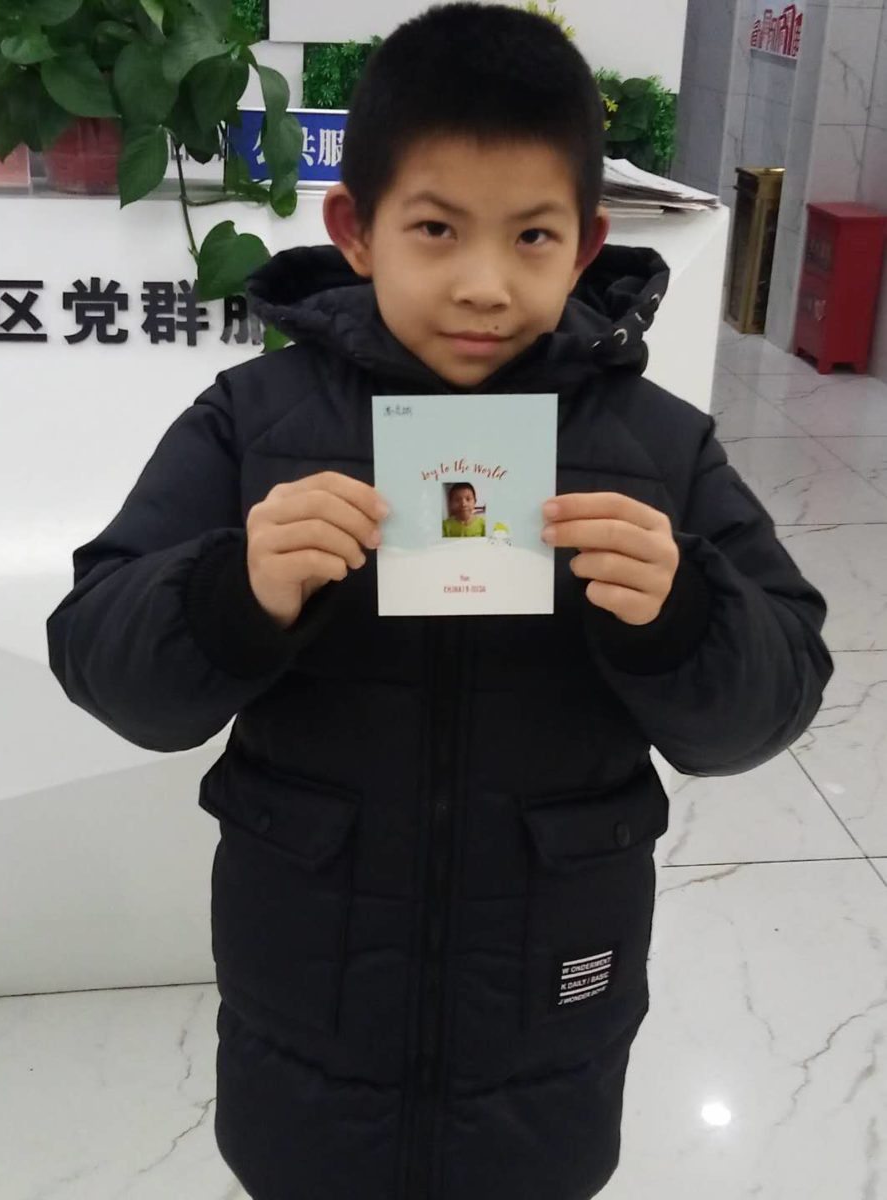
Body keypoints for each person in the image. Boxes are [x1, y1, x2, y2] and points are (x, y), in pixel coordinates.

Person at [45, 4, 834, 1199]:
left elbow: (770, 704)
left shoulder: (660, 450)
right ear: (356, 232)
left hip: (550, 996)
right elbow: (102, 660)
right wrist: (231, 593)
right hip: (307, 990)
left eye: (530, 237)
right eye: (435, 228)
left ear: (584, 247)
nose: (483, 283)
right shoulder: (250, 426)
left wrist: (686, 615)